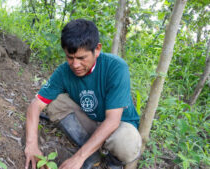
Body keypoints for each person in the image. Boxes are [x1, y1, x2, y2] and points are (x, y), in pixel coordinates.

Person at [24, 19, 141, 169]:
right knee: (55, 101)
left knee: (127, 142)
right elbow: (35, 105)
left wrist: (78, 158)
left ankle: (112, 162)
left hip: (118, 129)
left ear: (97, 49)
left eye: (81, 58)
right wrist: (31, 144)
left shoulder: (115, 67)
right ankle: (92, 153)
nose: (75, 65)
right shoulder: (64, 71)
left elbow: (112, 121)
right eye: (70, 58)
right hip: (91, 122)